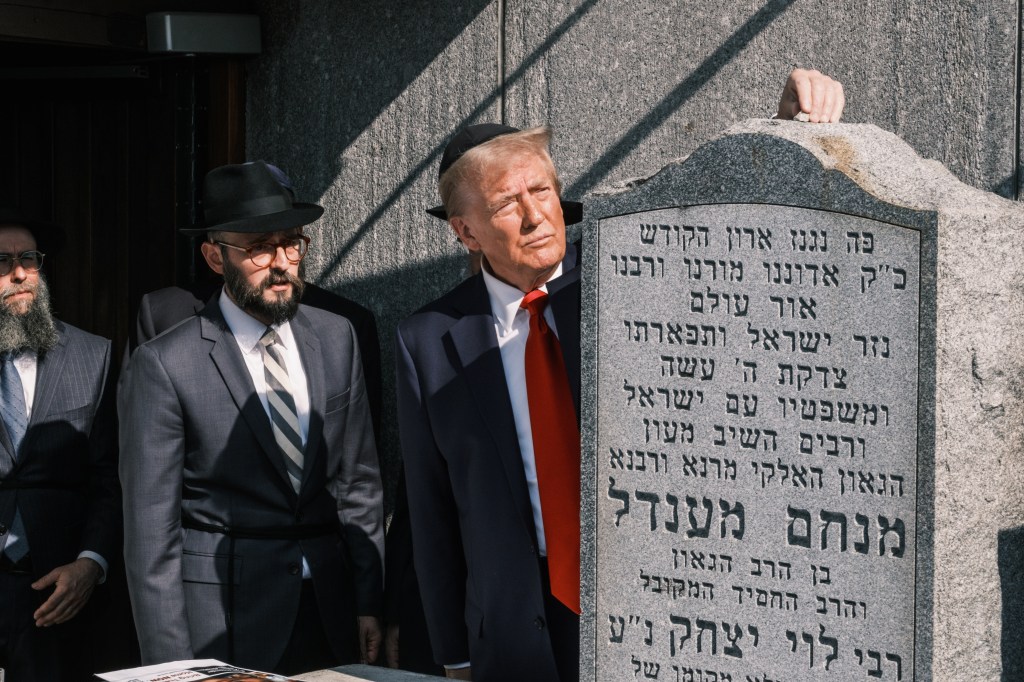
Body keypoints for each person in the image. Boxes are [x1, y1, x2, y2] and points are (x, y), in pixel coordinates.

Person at [395, 69, 844, 681]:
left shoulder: (627, 283)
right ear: (465, 230)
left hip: (649, 615)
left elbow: (733, 250)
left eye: (543, 192)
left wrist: (787, 130)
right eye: (506, 203)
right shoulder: (428, 339)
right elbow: (431, 509)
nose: (535, 216)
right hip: (509, 633)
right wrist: (454, 656)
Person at [120, 161, 384, 675]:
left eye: (292, 242)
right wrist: (172, 668)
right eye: (259, 247)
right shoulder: (165, 363)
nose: (282, 262)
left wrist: (369, 600)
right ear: (215, 257)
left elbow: (360, 484)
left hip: (329, 616)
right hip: (222, 619)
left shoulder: (337, 337)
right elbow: (152, 535)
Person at [0, 208, 120, 681]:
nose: (20, 272)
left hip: (56, 597)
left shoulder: (94, 356)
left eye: (29, 258)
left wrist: (91, 562)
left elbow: (111, 477)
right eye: (4, 260)